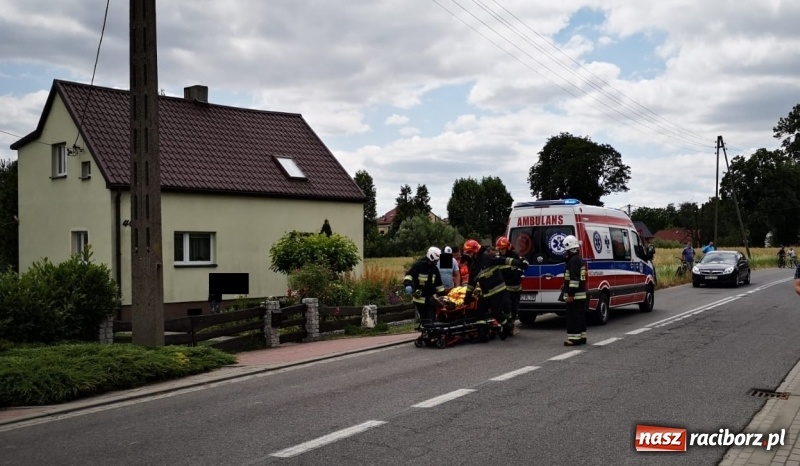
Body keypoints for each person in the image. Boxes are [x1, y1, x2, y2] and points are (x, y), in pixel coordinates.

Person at [462, 239, 527, 342]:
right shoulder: (474, 266)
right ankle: (482, 336)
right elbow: (471, 284)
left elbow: (503, 260)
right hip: (486, 294)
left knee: (497, 313)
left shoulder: (487, 257)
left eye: (469, 252)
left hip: (498, 292)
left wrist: (518, 263)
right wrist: (467, 298)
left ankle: (507, 327)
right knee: (479, 314)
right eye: (467, 253)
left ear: (475, 250)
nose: (468, 254)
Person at [404, 246, 447, 323]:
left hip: (431, 299)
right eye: (436, 260)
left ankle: (431, 330)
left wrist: (444, 297)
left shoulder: (435, 269)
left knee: (432, 319)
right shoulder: (418, 266)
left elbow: (439, 285)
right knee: (424, 320)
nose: (437, 262)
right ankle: (426, 329)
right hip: (419, 299)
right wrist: (408, 285)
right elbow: (409, 275)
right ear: (431, 257)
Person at [561, 234, 587, 346]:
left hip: (575, 296)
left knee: (573, 317)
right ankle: (581, 337)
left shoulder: (573, 261)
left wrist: (570, 294)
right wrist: (565, 285)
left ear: (569, 249)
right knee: (580, 316)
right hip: (580, 294)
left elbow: (574, 279)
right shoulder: (578, 259)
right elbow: (576, 278)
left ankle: (574, 339)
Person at [496, 236, 524, 335]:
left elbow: (523, 265)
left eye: (503, 249)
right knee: (506, 305)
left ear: (507, 247)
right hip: (505, 287)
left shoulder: (514, 255)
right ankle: (507, 326)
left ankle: (511, 324)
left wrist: (518, 272)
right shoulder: (498, 258)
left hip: (515, 287)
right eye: (500, 249)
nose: (501, 251)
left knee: (514, 308)